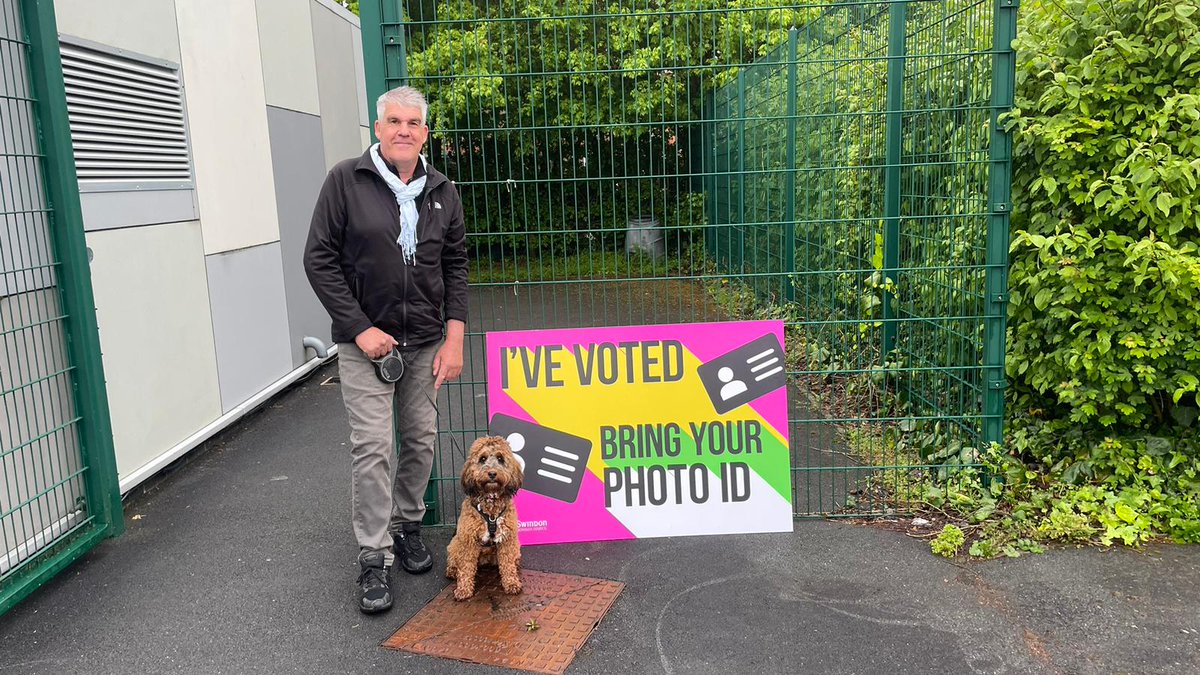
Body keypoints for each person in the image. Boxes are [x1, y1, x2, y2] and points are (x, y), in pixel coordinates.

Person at [304, 86, 467, 614]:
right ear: (377, 129)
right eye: (393, 121)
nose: (404, 130)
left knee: (421, 439)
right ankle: (373, 559)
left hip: (423, 342)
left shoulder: (442, 189)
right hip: (366, 344)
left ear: (424, 132)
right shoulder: (345, 181)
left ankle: (407, 526)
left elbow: (455, 265)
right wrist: (358, 328)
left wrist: (455, 335)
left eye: (413, 123)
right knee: (374, 448)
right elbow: (319, 259)